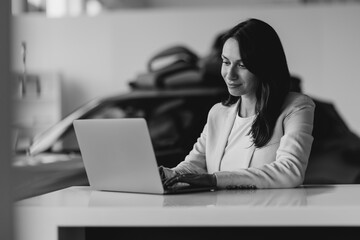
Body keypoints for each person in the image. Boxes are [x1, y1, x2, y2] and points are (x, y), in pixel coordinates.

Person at [159, 18, 315, 190]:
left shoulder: (296, 107)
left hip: (267, 214)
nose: (230, 74)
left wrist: (214, 180)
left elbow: (290, 172)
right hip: (220, 214)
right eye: (226, 62)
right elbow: (193, 166)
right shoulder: (218, 113)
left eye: (242, 65)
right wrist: (165, 175)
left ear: (264, 66)